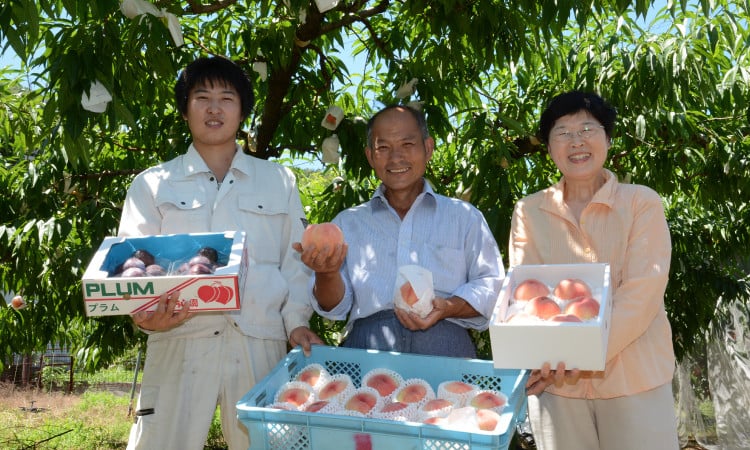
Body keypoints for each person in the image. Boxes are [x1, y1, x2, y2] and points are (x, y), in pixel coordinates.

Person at [118, 56, 323, 450]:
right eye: (202, 97)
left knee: (266, 444)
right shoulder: (152, 185)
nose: (214, 108)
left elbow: (294, 262)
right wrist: (146, 317)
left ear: (242, 110)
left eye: (227, 98)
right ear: (184, 110)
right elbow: (132, 266)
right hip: (178, 336)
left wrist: (295, 321)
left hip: (258, 340)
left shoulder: (278, 180)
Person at [510, 91, 679, 449]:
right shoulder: (529, 211)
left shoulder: (640, 202)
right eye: (563, 132)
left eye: (588, 128)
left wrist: (579, 354)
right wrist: (550, 358)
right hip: (559, 388)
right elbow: (527, 297)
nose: (577, 141)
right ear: (549, 146)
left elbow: (642, 292)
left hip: (635, 380)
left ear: (608, 138)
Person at [295, 105, 505, 358]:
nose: (396, 157)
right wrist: (326, 273)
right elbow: (333, 308)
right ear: (370, 156)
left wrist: (448, 307)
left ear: (428, 148)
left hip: (447, 348)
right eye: (383, 147)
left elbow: (493, 286)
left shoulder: (464, 217)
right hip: (367, 351)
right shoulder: (348, 223)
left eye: (407, 144)